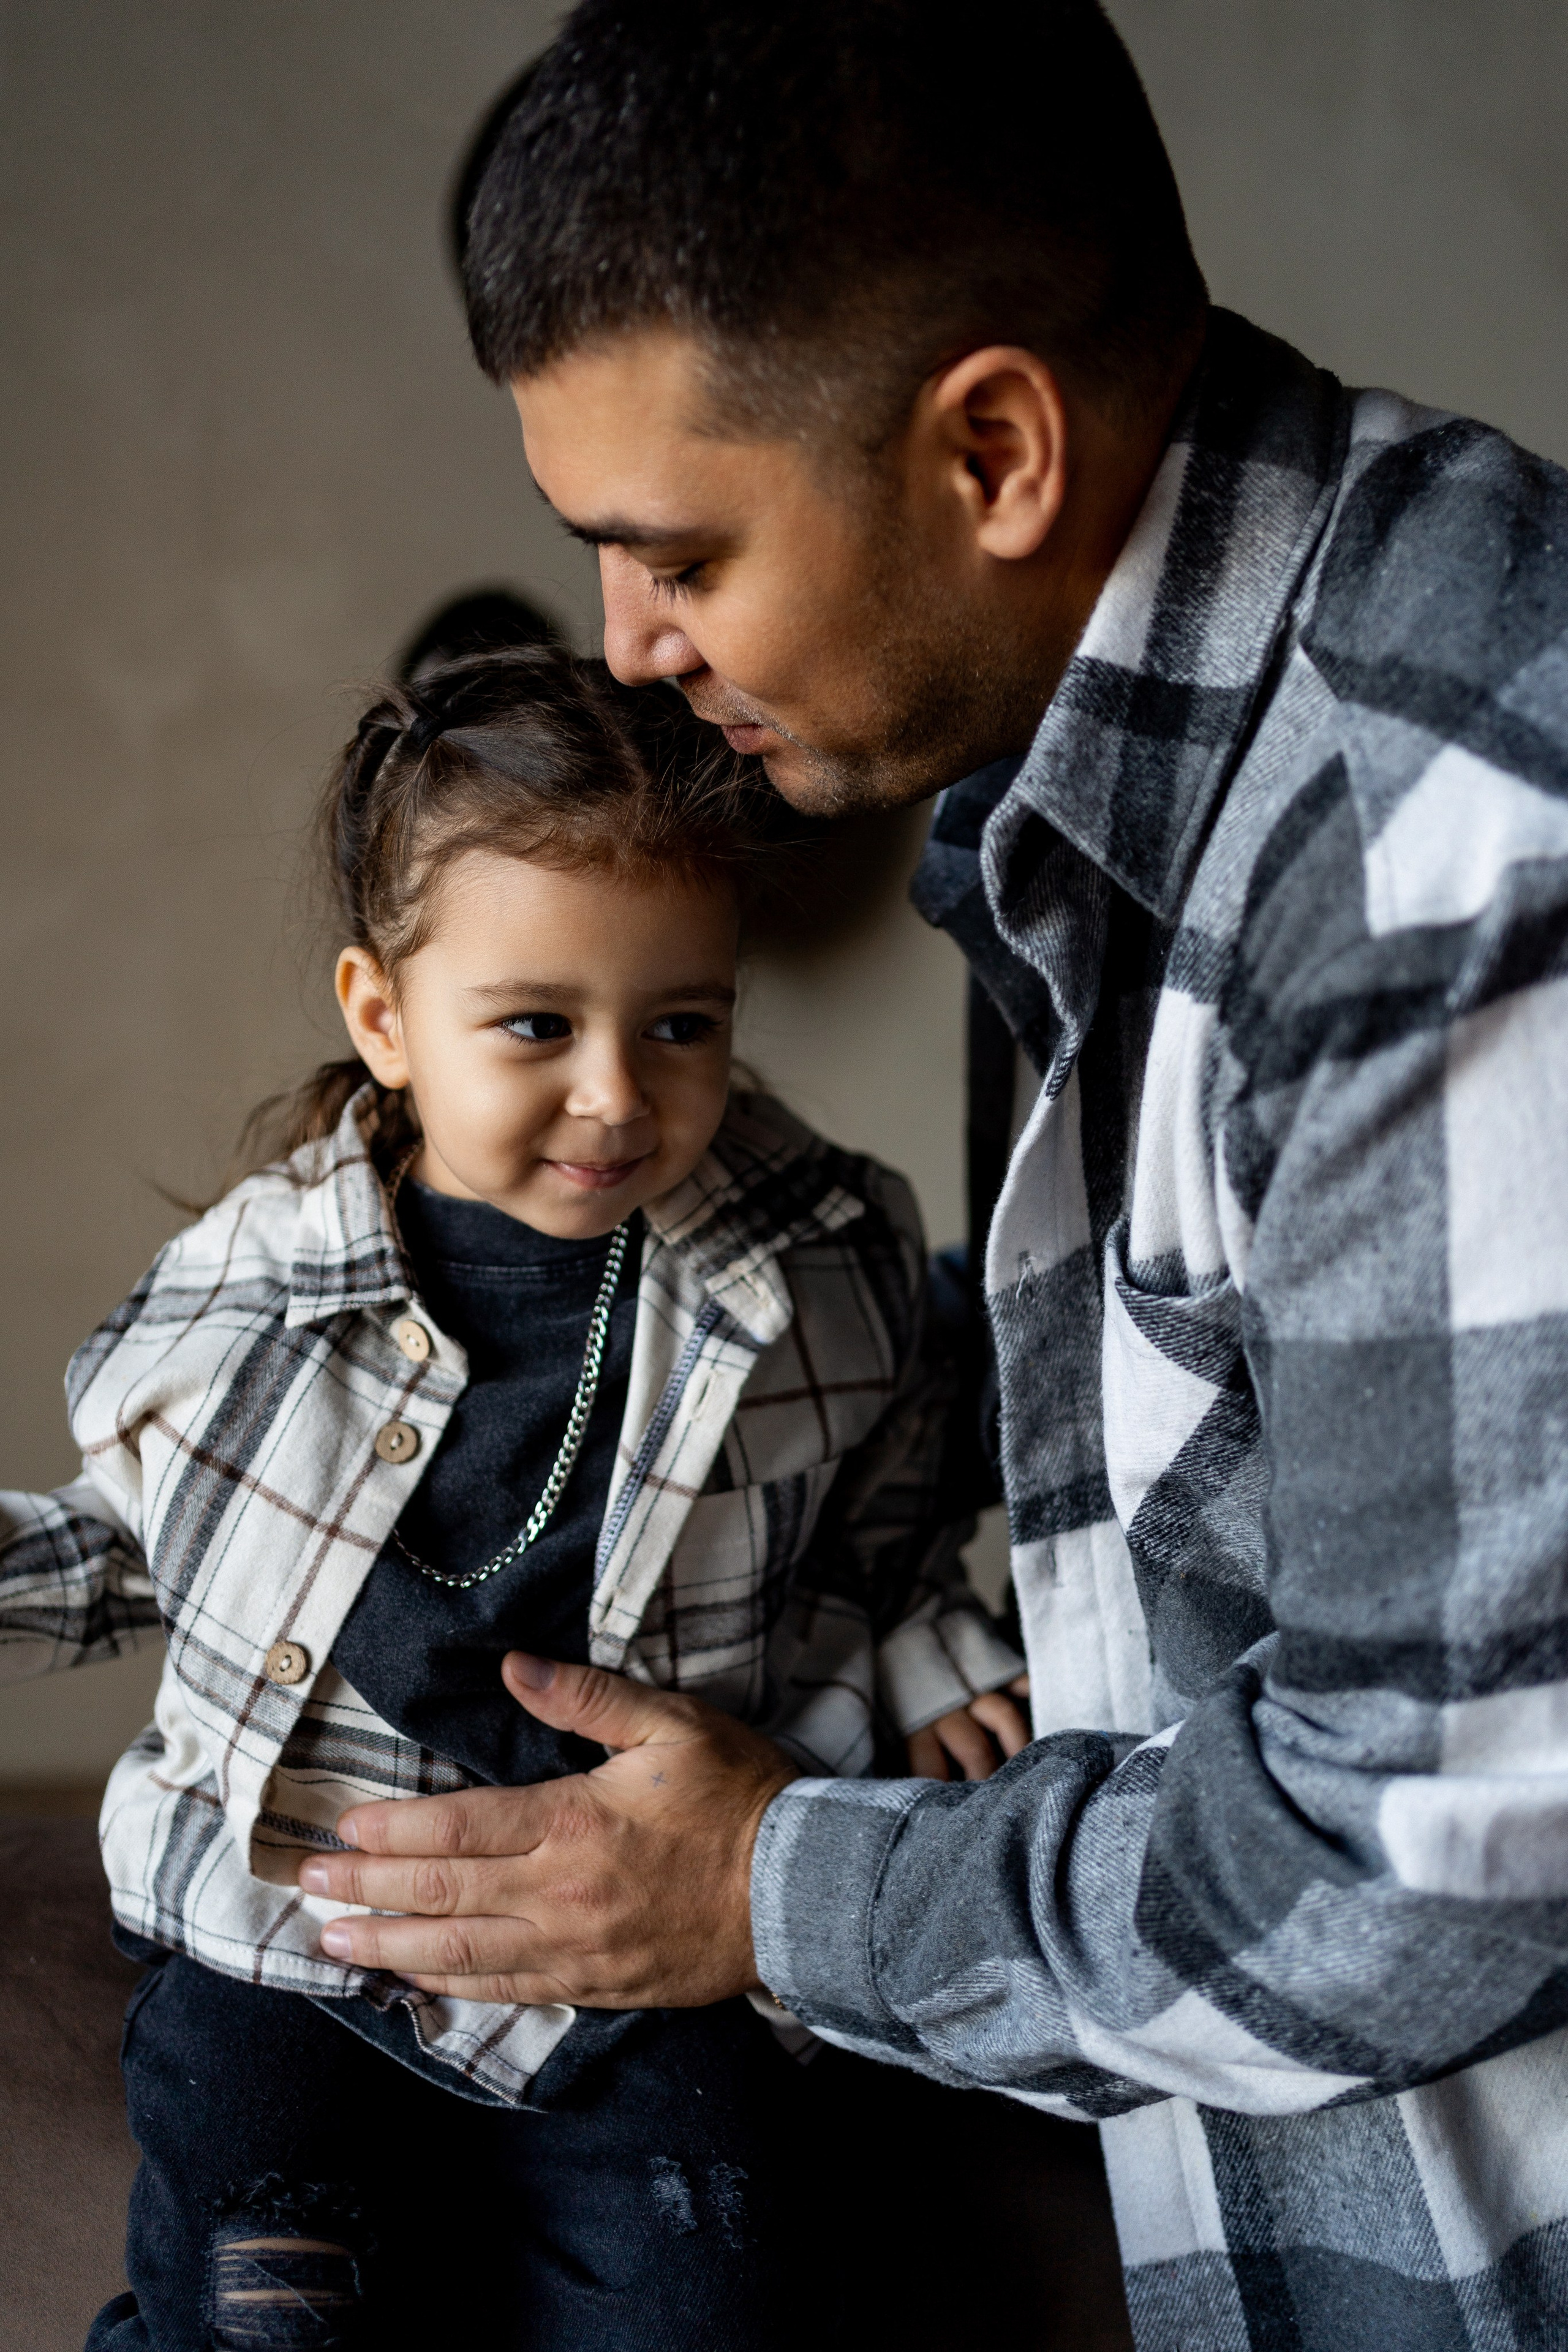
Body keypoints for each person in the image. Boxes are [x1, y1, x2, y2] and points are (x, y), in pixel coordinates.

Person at [293, 4, 1568, 2346]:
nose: (632, 650)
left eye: (675, 553)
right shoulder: (1078, 823)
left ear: (992, 446)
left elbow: (1427, 1862)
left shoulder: (1432, 849)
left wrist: (773, 1887)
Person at [0, 643, 1025, 2350]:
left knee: (718, 2279)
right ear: (384, 1018)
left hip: (627, 1923)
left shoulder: (813, 1262)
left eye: (681, 1022)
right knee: (263, 2289)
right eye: (537, 1026)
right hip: (302, 1916)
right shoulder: (263, 1292)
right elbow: (142, 1542)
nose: (618, 1094)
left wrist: (930, 1649)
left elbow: (877, 1522)